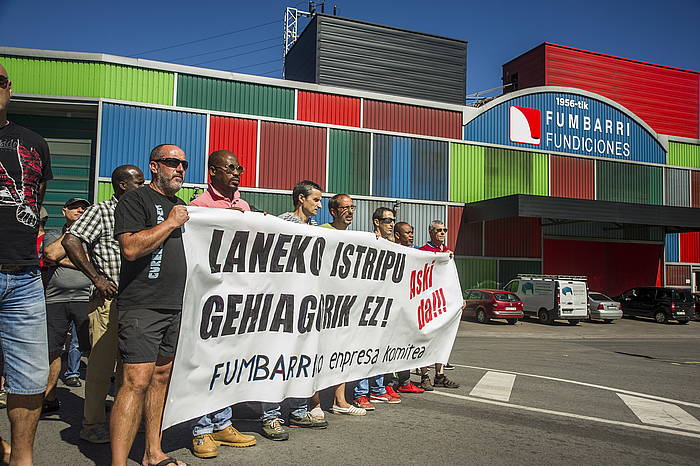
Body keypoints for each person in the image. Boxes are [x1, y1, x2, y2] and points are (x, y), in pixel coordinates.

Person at [109, 144, 189, 466]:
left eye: (184, 163)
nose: (180, 169)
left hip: (175, 305)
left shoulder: (180, 205)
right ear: (154, 166)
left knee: (161, 377)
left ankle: (153, 453)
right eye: (172, 162)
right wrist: (170, 223)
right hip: (142, 304)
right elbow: (129, 248)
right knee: (135, 381)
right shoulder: (135, 199)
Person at [62, 164, 144, 443]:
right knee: (100, 367)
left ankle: (122, 421)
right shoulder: (101, 211)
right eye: (138, 182)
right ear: (122, 185)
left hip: (137, 302)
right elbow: (72, 241)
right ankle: (92, 425)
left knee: (130, 368)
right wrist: (97, 278)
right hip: (109, 301)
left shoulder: (139, 213)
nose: (143, 187)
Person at [188, 150, 257, 458]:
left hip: (236, 297)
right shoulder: (199, 207)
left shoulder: (243, 206)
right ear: (212, 172)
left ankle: (223, 424)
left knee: (228, 363)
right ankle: (201, 430)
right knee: (204, 364)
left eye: (238, 168)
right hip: (207, 298)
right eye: (230, 168)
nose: (236, 172)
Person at [0, 62, 53, 465]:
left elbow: (36, 202)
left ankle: (22, 459)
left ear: (9, 88)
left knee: (29, 377)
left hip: (23, 277)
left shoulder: (33, 142)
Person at [259, 180, 328, 441]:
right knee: (276, 357)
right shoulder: (283, 223)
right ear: (301, 198)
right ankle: (271, 415)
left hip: (306, 305)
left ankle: (298, 410)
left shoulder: (316, 229)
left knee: (302, 357)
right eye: (316, 200)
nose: (319, 205)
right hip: (283, 302)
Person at [41, 197, 93, 413]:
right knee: (52, 351)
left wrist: (66, 256)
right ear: (64, 212)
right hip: (56, 299)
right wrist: (73, 236)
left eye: (83, 208)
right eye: (74, 208)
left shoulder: (92, 236)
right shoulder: (54, 234)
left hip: (86, 299)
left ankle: (93, 403)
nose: (79, 210)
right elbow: (51, 254)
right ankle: (49, 396)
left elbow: (95, 260)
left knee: (93, 350)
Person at [319, 195, 367, 416]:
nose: (350, 211)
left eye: (352, 207)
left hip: (345, 306)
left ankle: (340, 400)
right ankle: (315, 403)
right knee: (319, 353)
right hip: (323, 304)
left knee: (341, 352)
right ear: (333, 211)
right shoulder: (322, 231)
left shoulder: (355, 237)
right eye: (345, 208)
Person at [353, 207, 402, 411]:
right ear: (376, 222)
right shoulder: (368, 241)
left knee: (380, 350)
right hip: (368, 306)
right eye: (387, 220)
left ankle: (378, 388)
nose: (391, 224)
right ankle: (360, 393)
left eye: (393, 220)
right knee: (364, 350)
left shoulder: (395, 246)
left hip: (386, 306)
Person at [418, 220, 460, 390]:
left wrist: (458, 297)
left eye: (444, 230)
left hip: (441, 303)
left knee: (442, 340)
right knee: (425, 339)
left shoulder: (447, 252)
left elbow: (451, 279)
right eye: (438, 230)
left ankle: (440, 375)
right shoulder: (423, 252)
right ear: (430, 232)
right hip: (427, 302)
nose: (442, 233)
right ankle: (424, 375)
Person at [387, 222, 425, 394]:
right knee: (390, 346)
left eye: (412, 232)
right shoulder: (390, 251)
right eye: (407, 233)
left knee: (407, 344)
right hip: (393, 308)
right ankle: (388, 383)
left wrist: (446, 257)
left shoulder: (416, 252)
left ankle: (405, 381)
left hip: (409, 308)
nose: (411, 235)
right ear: (397, 235)